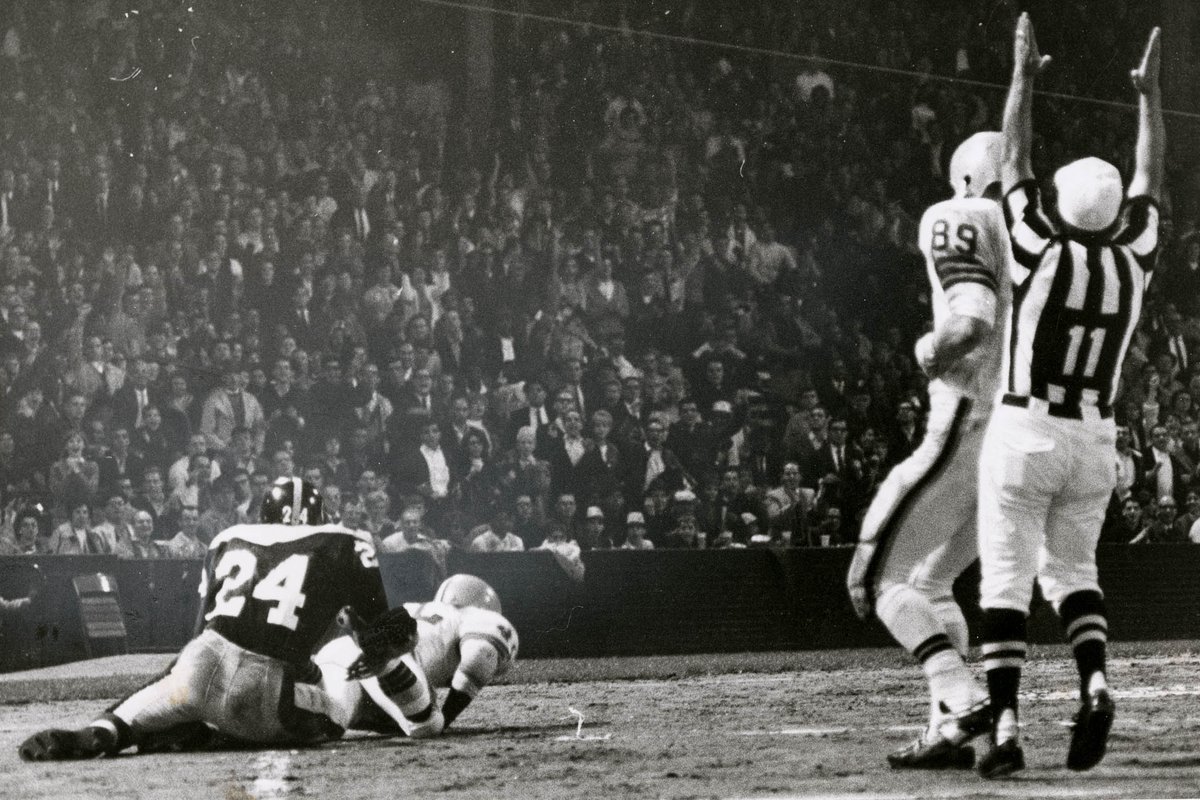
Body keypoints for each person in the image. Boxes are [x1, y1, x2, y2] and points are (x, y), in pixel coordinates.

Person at [973, 18, 1163, 778]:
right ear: (1116, 214)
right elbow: (1154, 179)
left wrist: (1024, 75)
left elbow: (1012, 157)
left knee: (1006, 581)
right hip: (1095, 439)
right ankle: (1095, 683)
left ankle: (1011, 725)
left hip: (1026, 427)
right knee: (1075, 575)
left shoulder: (1041, 250)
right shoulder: (1135, 260)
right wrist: (1150, 97)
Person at [19, 478, 434, 760]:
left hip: (200, 667)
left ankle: (106, 729)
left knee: (168, 689)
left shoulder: (226, 539)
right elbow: (382, 634)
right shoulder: (347, 541)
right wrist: (394, 642)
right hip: (265, 688)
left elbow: (200, 635)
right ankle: (225, 734)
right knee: (336, 712)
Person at [846, 127, 1012, 770]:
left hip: (966, 420)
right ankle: (949, 726)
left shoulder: (961, 213)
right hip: (1018, 433)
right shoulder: (1035, 226)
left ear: (965, 179)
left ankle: (957, 691)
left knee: (875, 577)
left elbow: (971, 321)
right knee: (934, 579)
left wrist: (931, 350)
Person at [313, 575, 518, 735]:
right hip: (389, 659)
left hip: (338, 652)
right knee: (429, 724)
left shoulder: (418, 609)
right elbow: (480, 655)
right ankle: (387, 666)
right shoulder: (478, 616)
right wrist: (446, 719)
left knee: (327, 724)